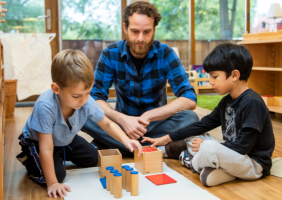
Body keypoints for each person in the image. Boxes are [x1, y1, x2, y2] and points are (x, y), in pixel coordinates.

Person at [142, 43, 275, 187]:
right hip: (231, 154)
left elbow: (243, 146)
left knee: (208, 148)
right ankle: (207, 166)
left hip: (252, 163)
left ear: (234, 75)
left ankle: (191, 160)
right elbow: (202, 124)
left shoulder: (253, 103)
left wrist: (206, 145)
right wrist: (166, 138)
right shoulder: (226, 101)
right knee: (194, 136)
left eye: (214, 76)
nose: (210, 81)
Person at [16, 50, 142, 198]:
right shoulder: (45, 105)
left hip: (63, 138)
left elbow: (107, 124)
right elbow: (46, 147)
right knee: (58, 175)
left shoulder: (85, 100)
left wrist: (126, 140)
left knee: (93, 158)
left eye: (88, 93)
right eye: (76, 96)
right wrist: (52, 183)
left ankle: (58, 156)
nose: (83, 100)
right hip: (38, 142)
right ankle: (30, 159)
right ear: (56, 89)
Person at [82, 1, 199, 158]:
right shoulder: (110, 54)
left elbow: (189, 98)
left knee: (191, 118)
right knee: (83, 114)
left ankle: (116, 145)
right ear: (125, 28)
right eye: (135, 31)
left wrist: (148, 116)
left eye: (146, 32)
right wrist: (123, 120)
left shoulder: (166, 53)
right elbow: (95, 97)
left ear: (154, 29)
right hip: (121, 125)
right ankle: (158, 148)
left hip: (157, 124)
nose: (140, 38)